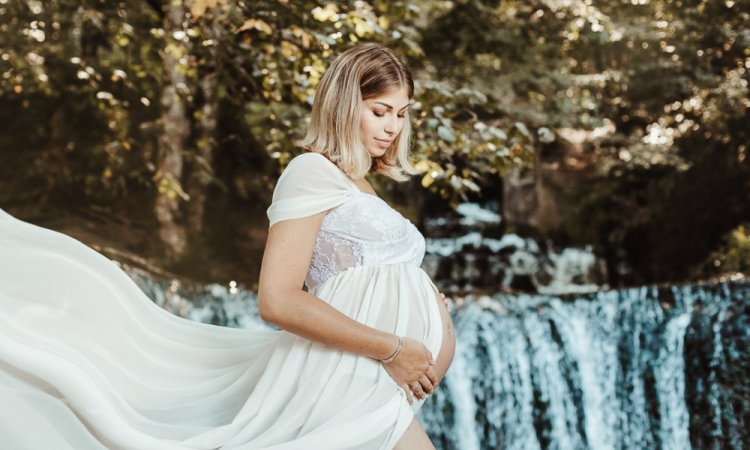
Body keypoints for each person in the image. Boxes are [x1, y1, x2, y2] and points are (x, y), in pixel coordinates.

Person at [0, 42, 455, 449]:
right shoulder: (311, 171)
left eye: (401, 112)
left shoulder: (361, 185)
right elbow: (278, 299)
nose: (393, 126)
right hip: (351, 373)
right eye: (380, 111)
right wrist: (393, 348)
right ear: (343, 104)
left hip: (373, 380)